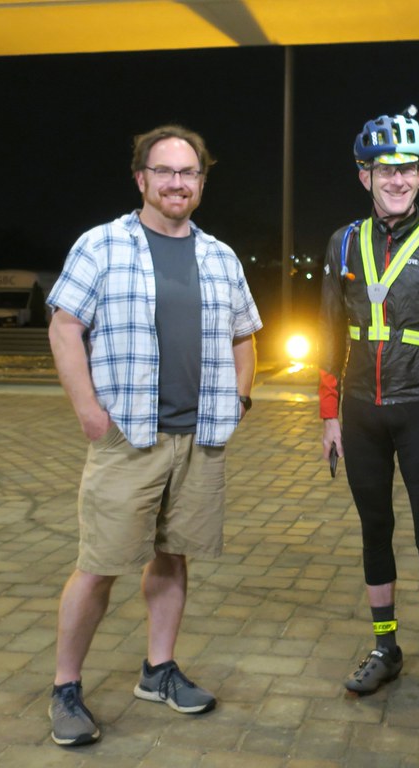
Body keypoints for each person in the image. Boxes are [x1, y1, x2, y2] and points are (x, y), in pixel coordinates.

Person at [45, 124, 262, 747]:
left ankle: (158, 670)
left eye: (189, 172)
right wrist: (88, 409)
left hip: (199, 441)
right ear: (141, 179)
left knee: (173, 555)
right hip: (128, 438)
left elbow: (245, 335)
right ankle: (65, 687)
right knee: (98, 566)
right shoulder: (102, 246)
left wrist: (241, 398)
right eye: (164, 171)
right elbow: (64, 327)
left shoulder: (219, 257)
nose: (176, 182)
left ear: (201, 182)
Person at [318, 110, 419, 727]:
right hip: (361, 414)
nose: (398, 179)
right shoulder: (342, 242)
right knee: (374, 531)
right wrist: (329, 415)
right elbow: (327, 332)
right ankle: (386, 650)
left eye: (409, 168)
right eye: (386, 169)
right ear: (364, 174)